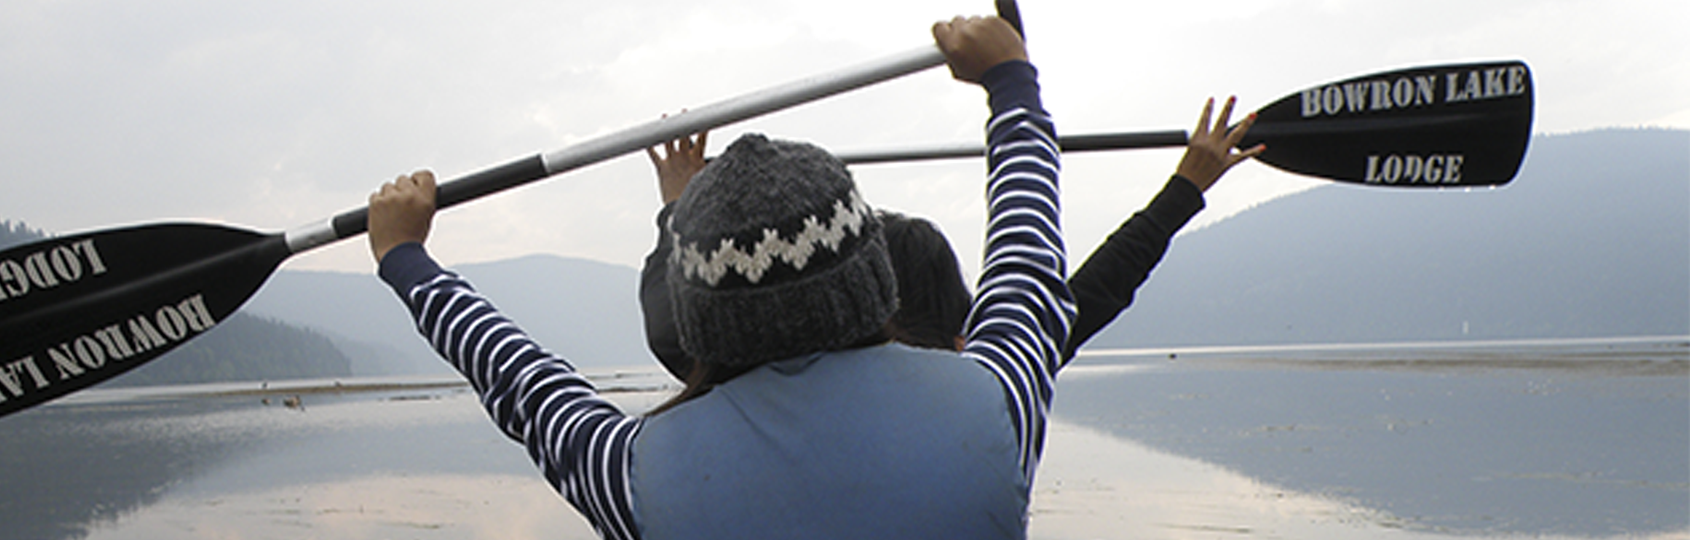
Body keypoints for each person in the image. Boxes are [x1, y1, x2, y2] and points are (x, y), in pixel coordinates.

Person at [368, 15, 1253, 540]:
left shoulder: (634, 476)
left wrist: (405, 257)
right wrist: (1011, 82)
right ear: (871, 281)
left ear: (700, 318)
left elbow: (519, 379)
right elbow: (1027, 250)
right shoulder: (995, 400)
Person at [640, 97, 1263, 377]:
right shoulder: (998, 380)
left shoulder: (741, 387)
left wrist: (681, 208)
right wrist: (1186, 187)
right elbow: (1096, 284)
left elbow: (673, 329)